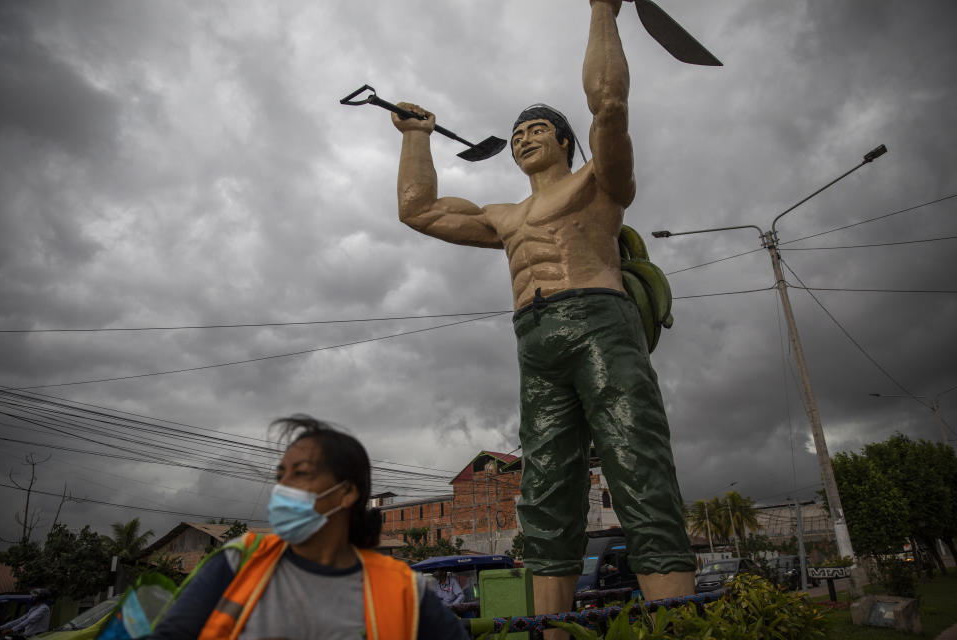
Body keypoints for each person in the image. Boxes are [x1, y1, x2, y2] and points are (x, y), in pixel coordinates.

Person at [390, 0, 696, 628]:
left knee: (635, 461)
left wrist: (602, 12)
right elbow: (417, 211)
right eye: (518, 132)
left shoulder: (599, 182)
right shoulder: (505, 217)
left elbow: (609, 103)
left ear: (564, 140)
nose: (525, 136)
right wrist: (418, 138)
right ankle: (551, 630)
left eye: (538, 128)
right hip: (534, 341)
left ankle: (678, 623)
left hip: (599, 324)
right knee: (546, 488)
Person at [148, 414, 467, 640]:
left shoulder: (403, 591)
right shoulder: (239, 562)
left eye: (300, 473)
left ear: (346, 493)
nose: (283, 486)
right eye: (280, 476)